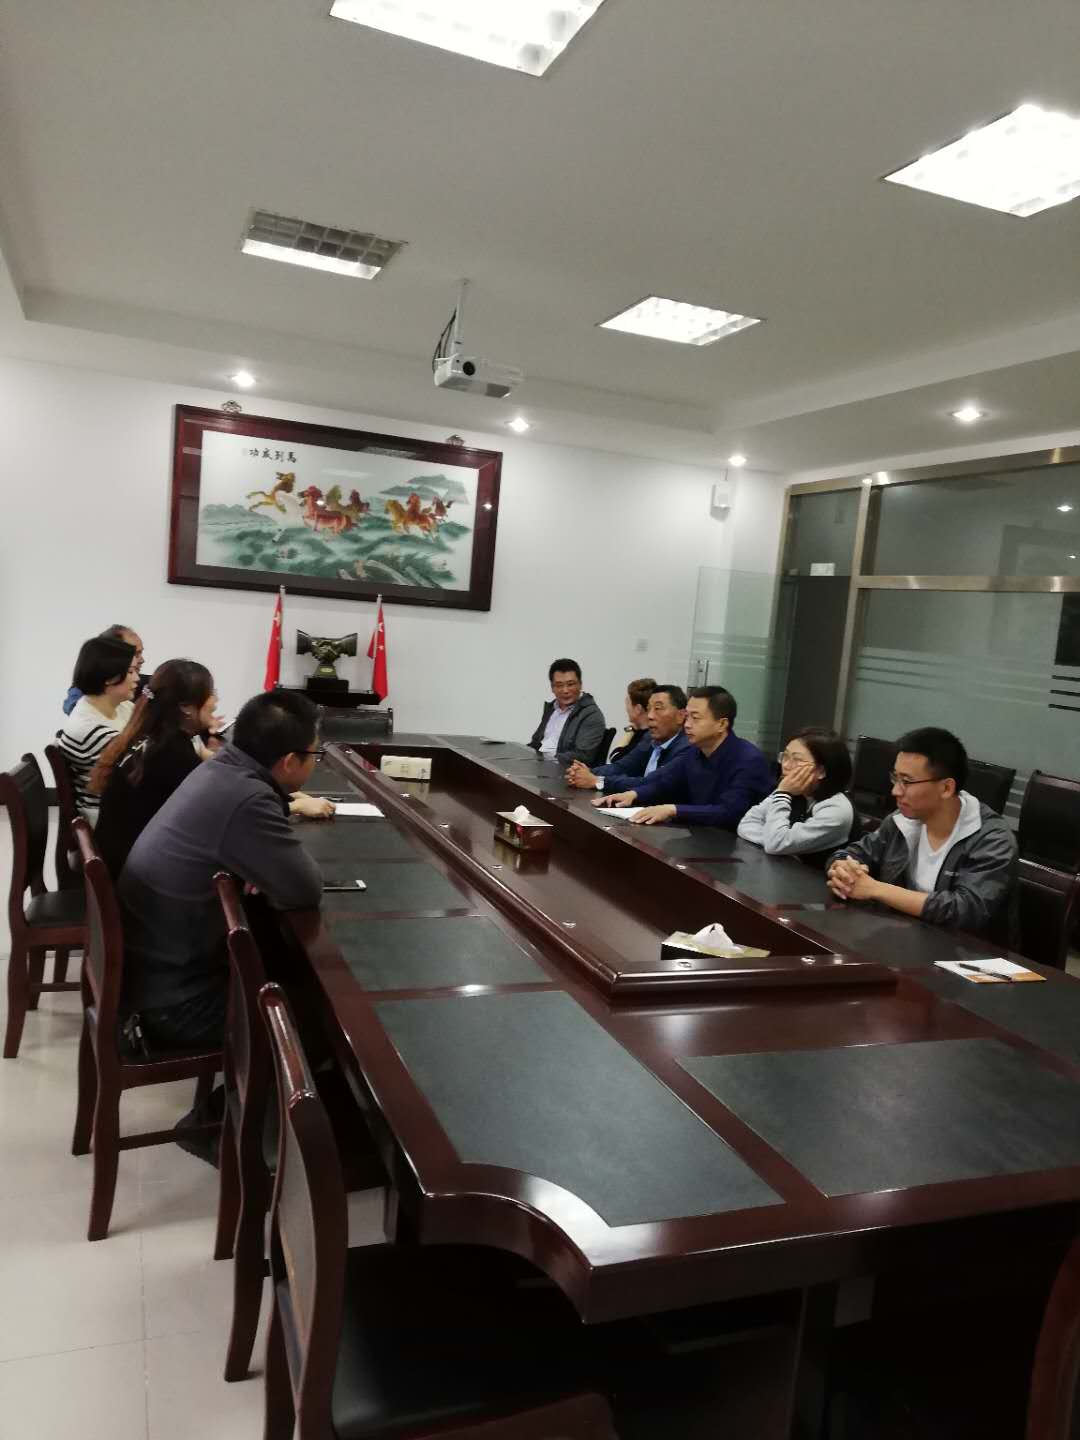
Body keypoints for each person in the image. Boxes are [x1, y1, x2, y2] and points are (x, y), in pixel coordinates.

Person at [117, 689, 330, 1061]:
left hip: (152, 975)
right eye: (315, 755)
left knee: (283, 963)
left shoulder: (221, 768)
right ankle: (240, 1098)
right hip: (175, 1005)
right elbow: (304, 888)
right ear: (289, 762)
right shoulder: (249, 797)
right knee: (323, 1026)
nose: (315, 762)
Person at [92, 659, 334, 878]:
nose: (215, 700)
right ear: (186, 707)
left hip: (129, 866)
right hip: (136, 876)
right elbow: (231, 813)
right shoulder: (171, 756)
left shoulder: (156, 737)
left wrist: (289, 794)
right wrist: (296, 806)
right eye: (211, 693)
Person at [826, 727, 1018, 941]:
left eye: (907, 781)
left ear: (946, 788)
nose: (895, 791)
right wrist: (841, 869)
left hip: (965, 952)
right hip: (901, 939)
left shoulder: (992, 838)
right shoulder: (901, 820)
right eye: (895, 778)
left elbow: (964, 911)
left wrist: (875, 889)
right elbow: (853, 853)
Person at [594, 685, 772, 827]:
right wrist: (633, 794)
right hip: (702, 837)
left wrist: (673, 810)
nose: (687, 724)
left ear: (722, 724)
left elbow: (729, 812)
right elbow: (665, 783)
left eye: (695, 718)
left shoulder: (748, 760)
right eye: (687, 717)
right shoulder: (695, 752)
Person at [738, 728, 853, 860]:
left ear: (821, 771)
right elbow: (746, 823)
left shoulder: (837, 811)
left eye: (797, 760)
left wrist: (783, 794)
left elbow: (776, 844)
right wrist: (772, 840)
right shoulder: (792, 790)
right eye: (785, 756)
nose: (785, 765)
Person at [57, 636, 139, 821]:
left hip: (121, 804)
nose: (137, 678)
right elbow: (141, 774)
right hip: (108, 818)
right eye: (131, 671)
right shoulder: (93, 730)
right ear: (110, 678)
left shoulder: (121, 707)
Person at [567, 684, 690, 791]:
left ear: (681, 716)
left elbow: (651, 783)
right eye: (649, 709)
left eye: (658, 709)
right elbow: (622, 767)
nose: (650, 716)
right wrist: (584, 773)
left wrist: (598, 781)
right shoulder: (649, 738)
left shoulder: (686, 748)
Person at [528, 658, 606, 765]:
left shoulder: (592, 715)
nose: (565, 690)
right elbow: (536, 743)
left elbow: (583, 755)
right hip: (539, 765)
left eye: (570, 684)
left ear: (580, 684)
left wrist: (546, 760)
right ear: (552, 688)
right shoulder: (552, 708)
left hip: (563, 770)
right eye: (559, 685)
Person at [63, 624, 146, 715]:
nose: (142, 660)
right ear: (109, 656)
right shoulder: (81, 700)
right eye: (135, 654)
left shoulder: (147, 684)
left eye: (141, 653)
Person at [606, 677, 657, 763]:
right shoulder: (643, 732)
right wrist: (632, 728)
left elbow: (615, 757)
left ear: (638, 709)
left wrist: (630, 730)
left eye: (627, 703)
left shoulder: (644, 739)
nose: (626, 708)